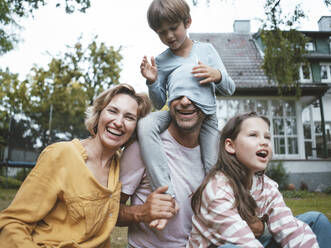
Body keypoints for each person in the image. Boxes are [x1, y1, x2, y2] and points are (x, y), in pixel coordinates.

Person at [0, 84, 151, 248]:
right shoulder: (61, 154)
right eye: (112, 111)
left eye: (129, 117)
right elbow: (12, 223)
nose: (119, 122)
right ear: (99, 113)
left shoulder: (120, 165)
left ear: (136, 128)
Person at [188, 112, 331, 248]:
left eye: (267, 137)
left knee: (316, 220)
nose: (264, 142)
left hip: (254, 241)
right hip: (232, 244)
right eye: (253, 135)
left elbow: (288, 229)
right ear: (230, 146)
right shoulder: (217, 190)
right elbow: (246, 243)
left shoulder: (266, 186)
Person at [138, 0, 235, 198]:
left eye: (173, 28)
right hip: (175, 114)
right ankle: (167, 192)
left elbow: (230, 89)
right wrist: (153, 82)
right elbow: (159, 102)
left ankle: (218, 205)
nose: (169, 36)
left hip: (205, 115)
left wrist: (217, 75)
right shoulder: (162, 61)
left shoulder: (206, 51)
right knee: (145, 125)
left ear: (188, 22)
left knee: (211, 164)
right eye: (161, 32)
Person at [117, 95, 208, 248]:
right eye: (178, 92)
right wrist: (140, 212)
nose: (185, 101)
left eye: (195, 93)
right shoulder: (141, 149)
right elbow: (107, 211)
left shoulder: (217, 152)